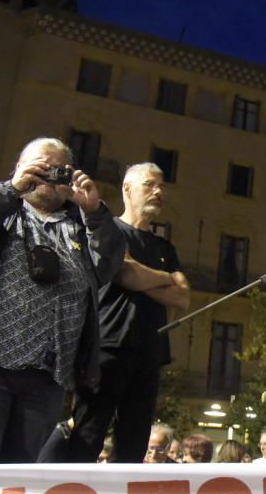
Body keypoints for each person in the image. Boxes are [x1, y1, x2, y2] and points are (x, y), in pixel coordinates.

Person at [0, 137, 125, 463]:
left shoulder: (78, 227)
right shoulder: (2, 208)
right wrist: (11, 190)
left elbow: (109, 263)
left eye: (59, 169)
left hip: (46, 380)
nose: (49, 175)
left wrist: (96, 213)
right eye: (40, 166)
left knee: (15, 480)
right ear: (18, 170)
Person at [69, 163, 189, 463]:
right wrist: (165, 277)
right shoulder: (108, 229)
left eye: (161, 186)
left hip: (150, 352)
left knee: (134, 443)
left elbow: (183, 296)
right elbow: (125, 274)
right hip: (106, 346)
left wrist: (143, 275)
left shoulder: (165, 246)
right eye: (149, 184)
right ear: (127, 188)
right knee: (88, 435)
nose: (159, 192)